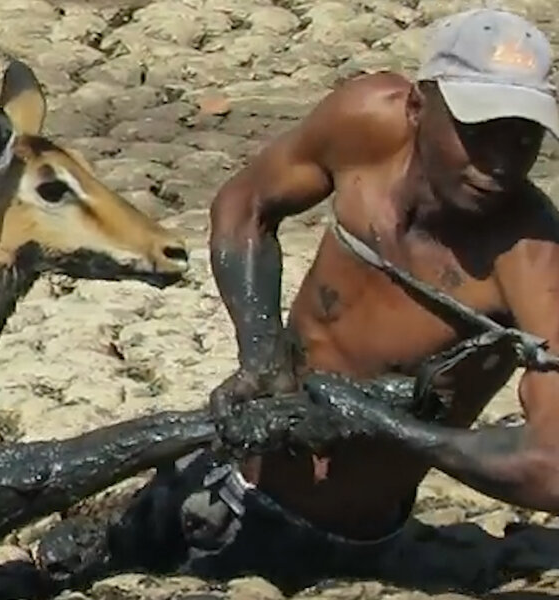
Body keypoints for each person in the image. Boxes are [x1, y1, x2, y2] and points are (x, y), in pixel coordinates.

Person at [31, 6, 559, 594]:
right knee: (45, 565)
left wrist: (392, 429)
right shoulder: (366, 126)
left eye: (524, 136)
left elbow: (552, 467)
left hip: (319, 545)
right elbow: (245, 205)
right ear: (417, 107)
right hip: (216, 467)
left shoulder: (531, 259)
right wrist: (261, 354)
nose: (500, 163)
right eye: (479, 131)